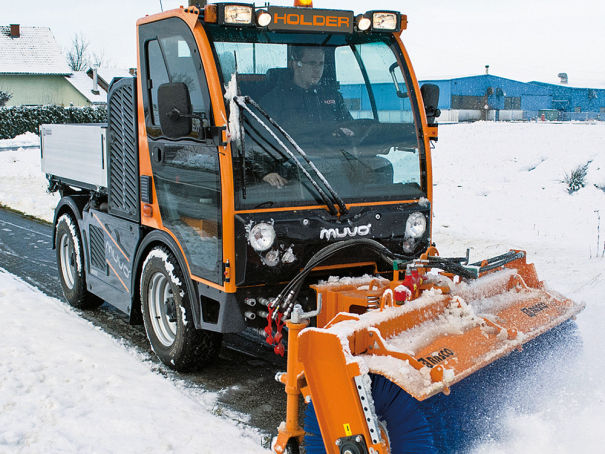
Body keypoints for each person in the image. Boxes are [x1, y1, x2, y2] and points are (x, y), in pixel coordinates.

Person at [258, 46, 354, 188]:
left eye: (321, 64)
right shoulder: (274, 100)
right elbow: (257, 140)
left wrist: (348, 131)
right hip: (292, 165)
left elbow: (351, 125)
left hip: (332, 158)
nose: (318, 69)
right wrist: (266, 172)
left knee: (379, 166)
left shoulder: (332, 97)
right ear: (296, 64)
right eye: (312, 63)